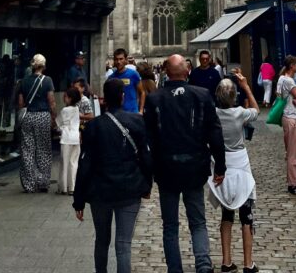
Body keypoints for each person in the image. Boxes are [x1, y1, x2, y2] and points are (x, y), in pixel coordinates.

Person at [144, 54, 226, 273]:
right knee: (197, 222)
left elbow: (148, 140)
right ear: (187, 71)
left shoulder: (155, 99)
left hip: (166, 169)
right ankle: (203, 265)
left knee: (170, 226)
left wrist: (148, 173)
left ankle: (175, 269)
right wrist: (220, 166)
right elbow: (215, 133)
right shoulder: (201, 95)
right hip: (194, 167)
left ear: (165, 73)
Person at [73, 77, 152, 273]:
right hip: (129, 189)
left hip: (101, 192)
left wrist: (79, 199)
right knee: (123, 244)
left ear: (104, 99)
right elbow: (146, 157)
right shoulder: (136, 121)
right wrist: (147, 185)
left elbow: (85, 164)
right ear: (123, 97)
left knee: (102, 240)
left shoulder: (94, 126)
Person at [209, 73, 259, 273]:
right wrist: (246, 86)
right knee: (246, 216)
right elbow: (256, 109)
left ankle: (226, 261)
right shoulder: (240, 113)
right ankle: (248, 263)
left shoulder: (213, 113)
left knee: (226, 215)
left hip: (222, 166)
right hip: (241, 165)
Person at [17, 53, 57, 192]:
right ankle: (43, 182)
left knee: (27, 150)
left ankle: (29, 184)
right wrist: (53, 118)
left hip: (28, 116)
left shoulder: (24, 81)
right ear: (43, 66)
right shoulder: (48, 80)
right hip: (43, 116)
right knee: (43, 149)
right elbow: (51, 101)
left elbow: (21, 103)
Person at [277, 55, 296, 194]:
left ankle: (292, 181)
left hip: (287, 116)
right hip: (292, 117)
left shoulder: (281, 78)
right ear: (292, 66)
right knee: (294, 152)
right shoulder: (288, 80)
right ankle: (293, 183)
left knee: (291, 151)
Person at [57, 87, 81, 195]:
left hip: (66, 138)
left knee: (64, 163)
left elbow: (59, 123)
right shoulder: (77, 109)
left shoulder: (64, 110)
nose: (63, 98)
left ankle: (63, 187)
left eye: (66, 96)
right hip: (76, 138)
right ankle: (73, 187)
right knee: (74, 162)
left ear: (70, 99)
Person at [106, 48, 143, 112]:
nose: (118, 62)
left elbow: (142, 92)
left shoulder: (133, 74)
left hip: (132, 113)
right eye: (116, 59)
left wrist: (141, 110)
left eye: (121, 59)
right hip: (118, 115)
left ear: (126, 60)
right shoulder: (111, 78)